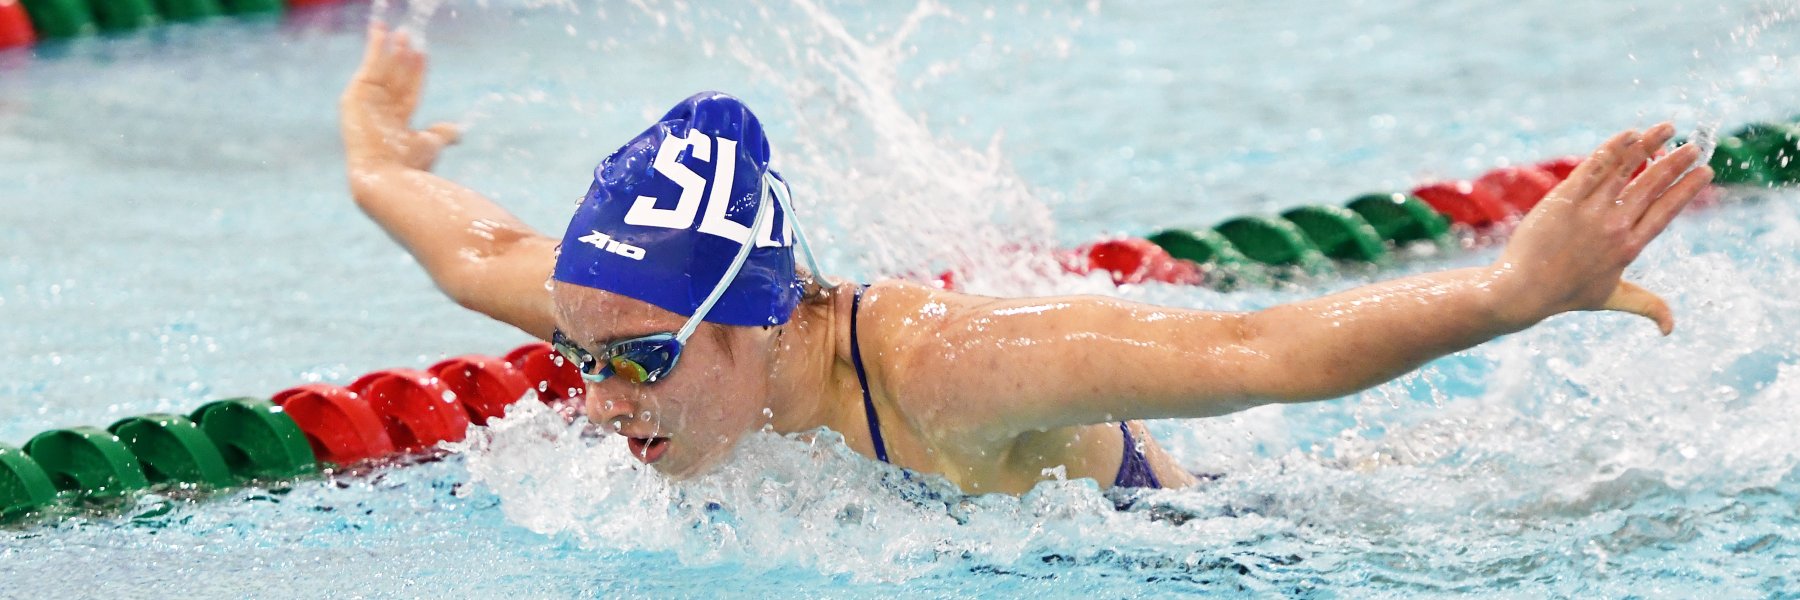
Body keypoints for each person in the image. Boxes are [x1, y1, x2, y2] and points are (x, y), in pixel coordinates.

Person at [340, 25, 1715, 496]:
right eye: (582, 356)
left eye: (635, 363)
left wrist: (1508, 291)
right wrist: (372, 142)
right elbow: (480, 250)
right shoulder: (628, 307)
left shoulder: (951, 370)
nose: (596, 400)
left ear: (754, 319)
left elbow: (1249, 351)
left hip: (1195, 547)